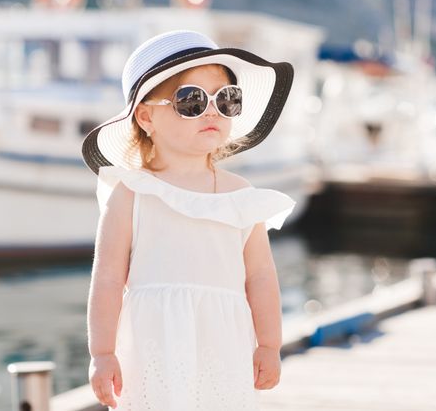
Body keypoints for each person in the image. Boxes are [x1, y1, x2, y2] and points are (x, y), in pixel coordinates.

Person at [81, 29, 297, 410]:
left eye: (226, 99)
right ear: (146, 117)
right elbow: (109, 278)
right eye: (192, 100)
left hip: (223, 342)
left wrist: (269, 344)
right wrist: (102, 352)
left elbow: (261, 276)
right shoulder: (130, 192)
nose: (212, 110)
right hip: (152, 342)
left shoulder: (239, 194)